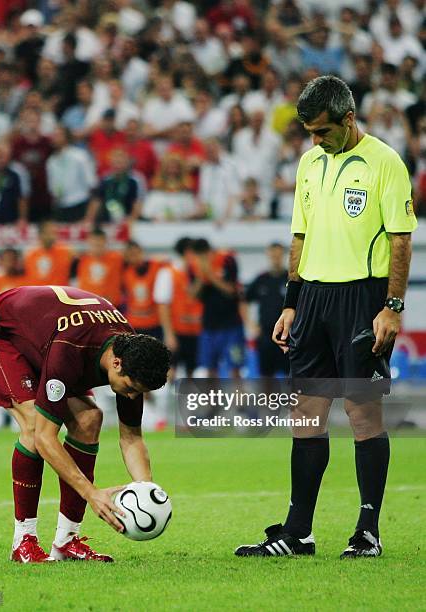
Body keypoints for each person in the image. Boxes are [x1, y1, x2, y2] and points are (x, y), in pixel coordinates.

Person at [235, 75, 417, 560]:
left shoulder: (385, 163)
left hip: (363, 298)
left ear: (349, 119)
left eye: (322, 131)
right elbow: (301, 235)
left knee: (361, 413)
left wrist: (392, 306)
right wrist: (292, 302)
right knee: (306, 414)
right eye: (309, 132)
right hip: (312, 299)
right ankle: (298, 533)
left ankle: (368, 532)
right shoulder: (309, 163)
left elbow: (401, 239)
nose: (315, 140)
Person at [0, 285, 171, 562]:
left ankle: (66, 542)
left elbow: (131, 437)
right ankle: (23, 540)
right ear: (117, 363)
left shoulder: (133, 354)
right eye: (131, 388)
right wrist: (92, 494)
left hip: (44, 340)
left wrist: (146, 490)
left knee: (89, 419)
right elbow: (45, 439)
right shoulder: (71, 350)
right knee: (36, 426)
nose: (132, 396)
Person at [190, 238, 244, 378]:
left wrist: (210, 275)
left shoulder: (227, 260)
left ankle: (237, 399)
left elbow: (231, 290)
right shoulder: (194, 267)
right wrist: (201, 276)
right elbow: (193, 295)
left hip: (232, 325)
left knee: (235, 368)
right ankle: (213, 399)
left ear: (210, 252)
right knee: (210, 369)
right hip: (209, 326)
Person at [154, 237, 202, 377]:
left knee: (192, 369)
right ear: (188, 252)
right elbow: (163, 304)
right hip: (177, 330)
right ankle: (169, 398)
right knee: (170, 369)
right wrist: (169, 334)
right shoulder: (168, 273)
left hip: (196, 330)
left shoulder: (199, 273)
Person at [245, 243, 289, 377]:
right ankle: (268, 399)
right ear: (268, 255)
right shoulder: (261, 279)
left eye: (278, 255)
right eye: (273, 255)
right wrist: (251, 324)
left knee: (290, 375)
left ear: (283, 256)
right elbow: (244, 300)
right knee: (266, 376)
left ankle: (290, 399)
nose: (275, 258)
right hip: (265, 334)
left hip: (286, 335)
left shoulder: (290, 279)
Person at [46, 125, 97, 223]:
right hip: (61, 207)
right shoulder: (51, 161)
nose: (55, 138)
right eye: (54, 135)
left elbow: (92, 185)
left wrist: (89, 215)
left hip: (80, 204)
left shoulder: (80, 156)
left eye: (58, 135)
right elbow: (52, 188)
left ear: (66, 137)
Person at [122, 241, 165, 340]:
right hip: (134, 323)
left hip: (154, 322)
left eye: (136, 253)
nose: (134, 257)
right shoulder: (125, 272)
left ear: (141, 252)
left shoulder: (156, 266)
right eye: (130, 255)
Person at [75, 227, 124, 308]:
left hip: (111, 308)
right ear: (88, 242)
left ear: (105, 242)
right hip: (88, 308)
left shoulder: (117, 258)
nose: (96, 247)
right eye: (94, 244)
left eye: (99, 244)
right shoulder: (82, 260)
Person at [24, 219, 73, 286]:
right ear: (41, 234)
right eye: (49, 232)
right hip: (38, 294)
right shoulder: (30, 255)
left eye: (54, 232)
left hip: (59, 294)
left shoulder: (66, 252)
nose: (52, 236)